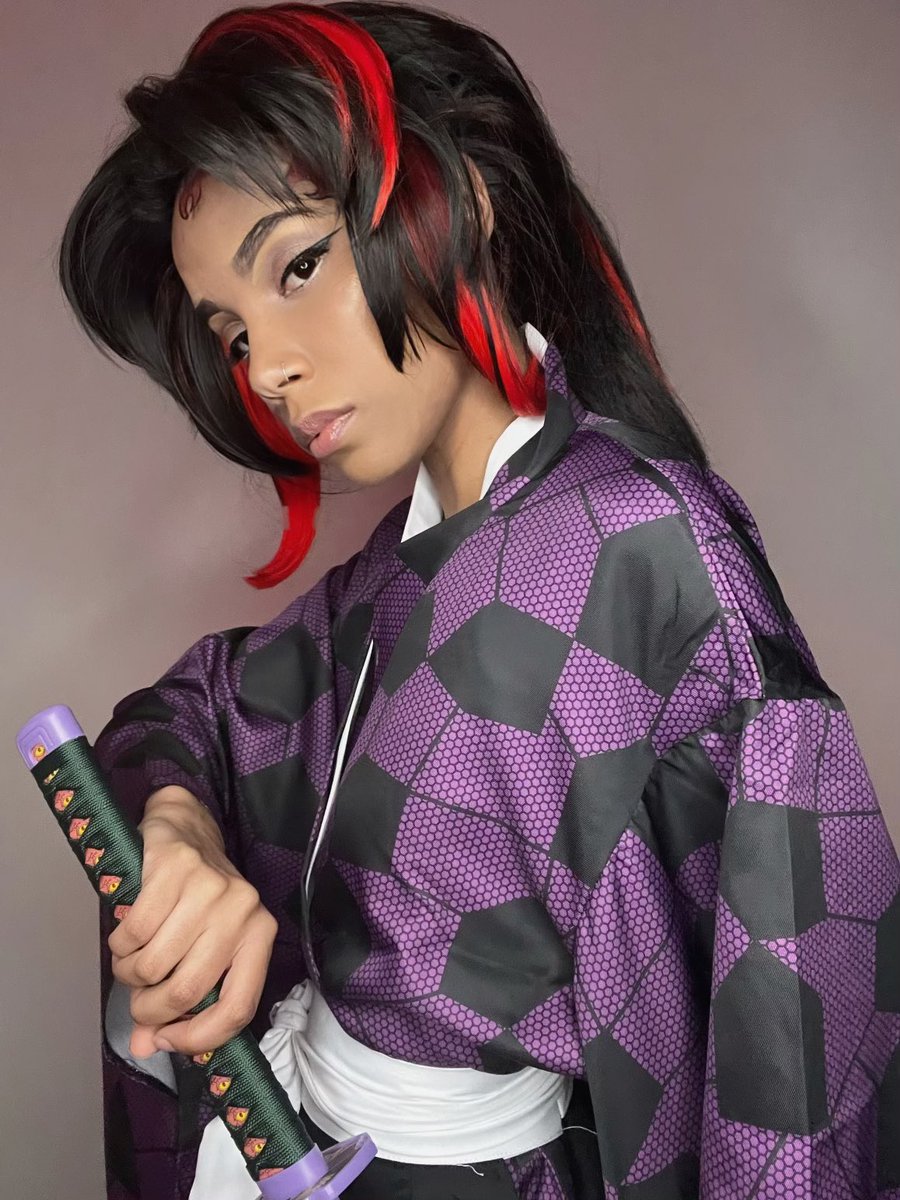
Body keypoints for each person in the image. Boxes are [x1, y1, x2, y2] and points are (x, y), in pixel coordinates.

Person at [57, 2, 899, 1197]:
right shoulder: (384, 585)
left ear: (465, 197)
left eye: (299, 267)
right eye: (234, 335)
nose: (271, 369)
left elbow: (797, 1043)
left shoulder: (645, 549)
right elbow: (191, 710)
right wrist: (182, 824)